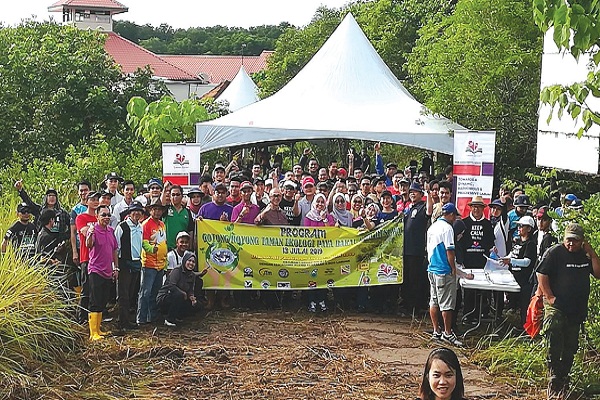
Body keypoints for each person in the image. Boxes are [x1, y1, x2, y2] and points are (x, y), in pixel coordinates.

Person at [536, 223, 600, 398]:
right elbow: (541, 274)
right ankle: (554, 376)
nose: (571, 244)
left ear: (582, 241)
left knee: (570, 345)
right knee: (553, 333)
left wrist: (592, 253)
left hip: (576, 308)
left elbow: (598, 273)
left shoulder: (585, 255)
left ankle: (564, 379)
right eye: (568, 240)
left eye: (575, 241)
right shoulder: (555, 252)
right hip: (557, 306)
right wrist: (549, 296)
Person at [427, 203, 463, 346]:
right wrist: (453, 268)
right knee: (447, 304)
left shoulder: (433, 226)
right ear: (451, 215)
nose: (455, 219)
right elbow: (450, 251)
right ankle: (447, 333)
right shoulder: (448, 228)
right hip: (443, 269)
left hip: (432, 268)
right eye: (454, 216)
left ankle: (436, 331)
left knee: (434, 301)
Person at [85, 204, 119, 341]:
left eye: (108, 215)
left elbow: (114, 249)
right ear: (97, 216)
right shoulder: (93, 230)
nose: (106, 217)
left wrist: (116, 267)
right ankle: (93, 333)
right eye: (103, 215)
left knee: (103, 300)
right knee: (95, 300)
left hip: (108, 271)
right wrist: (91, 233)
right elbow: (89, 244)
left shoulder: (111, 231)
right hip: (96, 270)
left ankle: (98, 329)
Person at [114, 201, 145, 330]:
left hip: (136, 263)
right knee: (124, 294)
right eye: (134, 211)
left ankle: (128, 320)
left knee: (132, 293)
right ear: (129, 212)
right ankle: (122, 322)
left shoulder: (141, 227)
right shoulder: (122, 227)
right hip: (124, 263)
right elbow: (115, 248)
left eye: (139, 211)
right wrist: (116, 266)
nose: (136, 213)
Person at [137, 198, 168, 325]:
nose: (157, 212)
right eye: (154, 209)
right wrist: (151, 249)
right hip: (148, 264)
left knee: (155, 292)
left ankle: (152, 316)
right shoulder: (145, 224)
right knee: (145, 292)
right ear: (150, 210)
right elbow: (143, 243)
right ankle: (141, 318)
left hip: (161, 264)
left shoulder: (162, 224)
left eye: (159, 209)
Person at [501, 215, 536, 325]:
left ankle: (525, 328)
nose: (519, 228)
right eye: (518, 226)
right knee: (514, 304)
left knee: (524, 306)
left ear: (529, 229)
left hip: (524, 280)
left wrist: (511, 261)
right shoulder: (518, 242)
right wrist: (503, 258)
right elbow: (512, 254)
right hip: (514, 278)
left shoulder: (530, 244)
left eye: (522, 226)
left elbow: (527, 262)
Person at [157, 253, 207, 327]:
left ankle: (178, 316)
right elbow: (171, 286)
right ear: (184, 261)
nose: (191, 263)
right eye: (189, 260)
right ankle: (169, 319)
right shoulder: (177, 270)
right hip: (166, 297)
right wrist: (183, 293)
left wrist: (192, 298)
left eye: (193, 262)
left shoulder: (192, 275)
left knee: (196, 304)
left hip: (181, 298)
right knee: (178, 295)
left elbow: (190, 290)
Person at [303, 193, 334, 313]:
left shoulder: (329, 217)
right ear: (314, 203)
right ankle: (311, 301)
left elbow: (330, 232)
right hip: (311, 252)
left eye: (322, 202)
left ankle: (322, 300)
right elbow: (307, 234)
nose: (320, 204)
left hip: (325, 252)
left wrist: (324, 219)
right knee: (311, 276)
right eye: (318, 202)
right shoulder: (308, 216)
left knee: (323, 276)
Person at [75, 191, 102, 324]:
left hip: (100, 258)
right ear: (87, 201)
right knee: (86, 288)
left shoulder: (101, 217)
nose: (96, 201)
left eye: (98, 199)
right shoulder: (81, 217)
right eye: (93, 199)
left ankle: (94, 318)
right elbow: (86, 233)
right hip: (87, 257)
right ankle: (81, 317)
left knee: (96, 290)